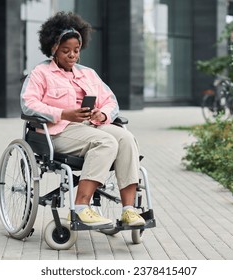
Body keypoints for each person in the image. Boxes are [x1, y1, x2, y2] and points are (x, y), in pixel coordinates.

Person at [20, 11, 145, 227]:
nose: (72, 55)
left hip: (91, 126)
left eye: (76, 51)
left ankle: (128, 210)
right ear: (53, 49)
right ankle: (80, 208)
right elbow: (28, 104)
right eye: (66, 50)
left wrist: (102, 114)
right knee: (106, 142)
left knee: (126, 138)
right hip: (57, 132)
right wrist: (63, 113)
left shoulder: (88, 74)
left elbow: (110, 101)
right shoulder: (41, 73)